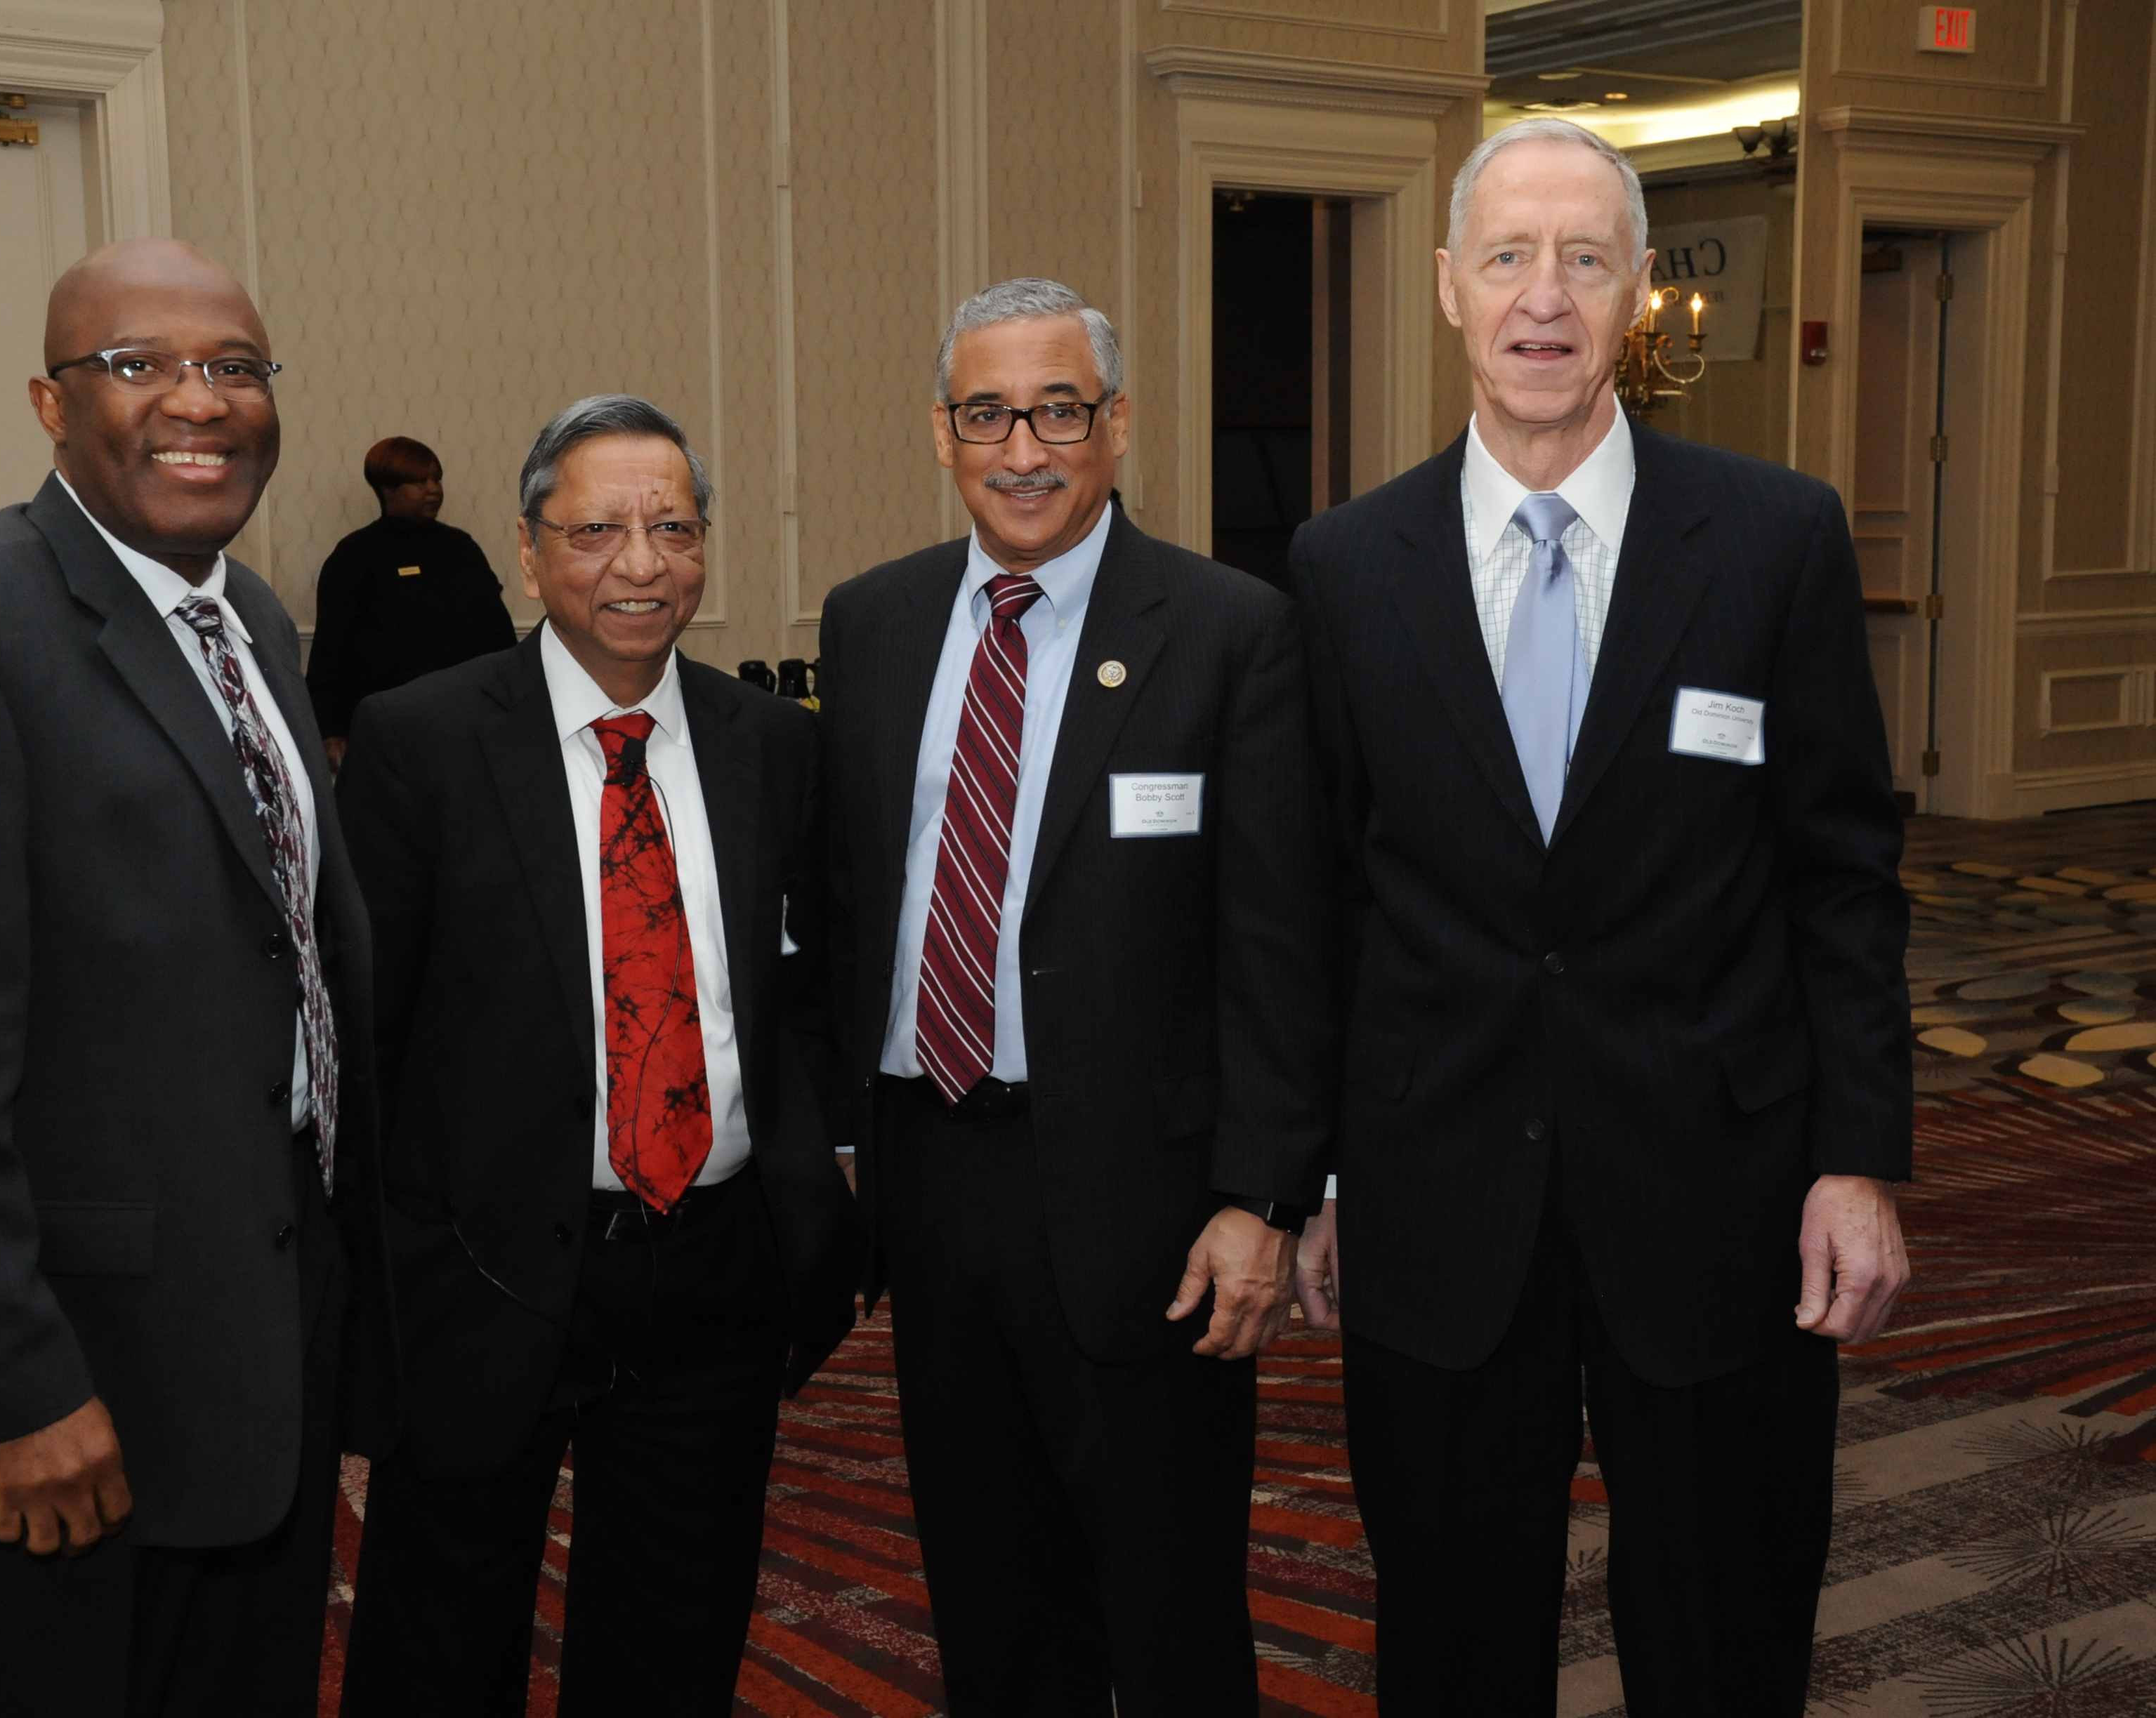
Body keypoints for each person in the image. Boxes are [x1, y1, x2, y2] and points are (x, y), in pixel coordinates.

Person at [1285, 117, 1912, 1717]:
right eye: (1508, 256)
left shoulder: (1774, 538)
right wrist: (1319, 1174)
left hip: (1715, 1190)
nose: (1543, 296)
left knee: (1722, 1635)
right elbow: (1324, 898)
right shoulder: (1344, 565)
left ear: (1637, 290)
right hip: (1437, 1194)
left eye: (1583, 257)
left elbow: (1840, 875)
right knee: (1450, 1642)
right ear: (1449, 286)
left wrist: (1854, 1159)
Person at [0, 239, 388, 1717]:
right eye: (138, 365)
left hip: (244, 1353)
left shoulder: (249, 619)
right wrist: (11, 1387)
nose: (199, 400)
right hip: (58, 1386)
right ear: (51, 403)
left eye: (234, 366)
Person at [814, 279, 1339, 1715]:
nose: (1023, 450)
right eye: (988, 414)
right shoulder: (871, 621)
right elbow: (852, 899)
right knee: (988, 1590)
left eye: (1058, 411)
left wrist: (1263, 1194)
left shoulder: (1229, 629)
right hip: (931, 1176)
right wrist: (845, 1141)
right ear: (941, 432)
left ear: (1114, 425)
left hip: (1149, 1204)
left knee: (1167, 1605)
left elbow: (1281, 940)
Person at [335, 394, 861, 1717]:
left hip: (713, 1268)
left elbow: (804, 994)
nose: (641, 563)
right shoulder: (421, 741)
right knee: (439, 1644)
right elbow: (367, 1032)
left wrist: (811, 1188)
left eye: (673, 528)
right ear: (527, 552)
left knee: (672, 1644)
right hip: (485, 1267)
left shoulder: (773, 745)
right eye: (596, 531)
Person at [306, 435, 517, 767]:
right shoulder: (356, 554)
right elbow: (331, 649)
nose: (433, 490)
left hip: (468, 720)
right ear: (387, 489)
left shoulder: (462, 548)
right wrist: (330, 729)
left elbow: (499, 633)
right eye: (419, 482)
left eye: (437, 479)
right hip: (390, 726)